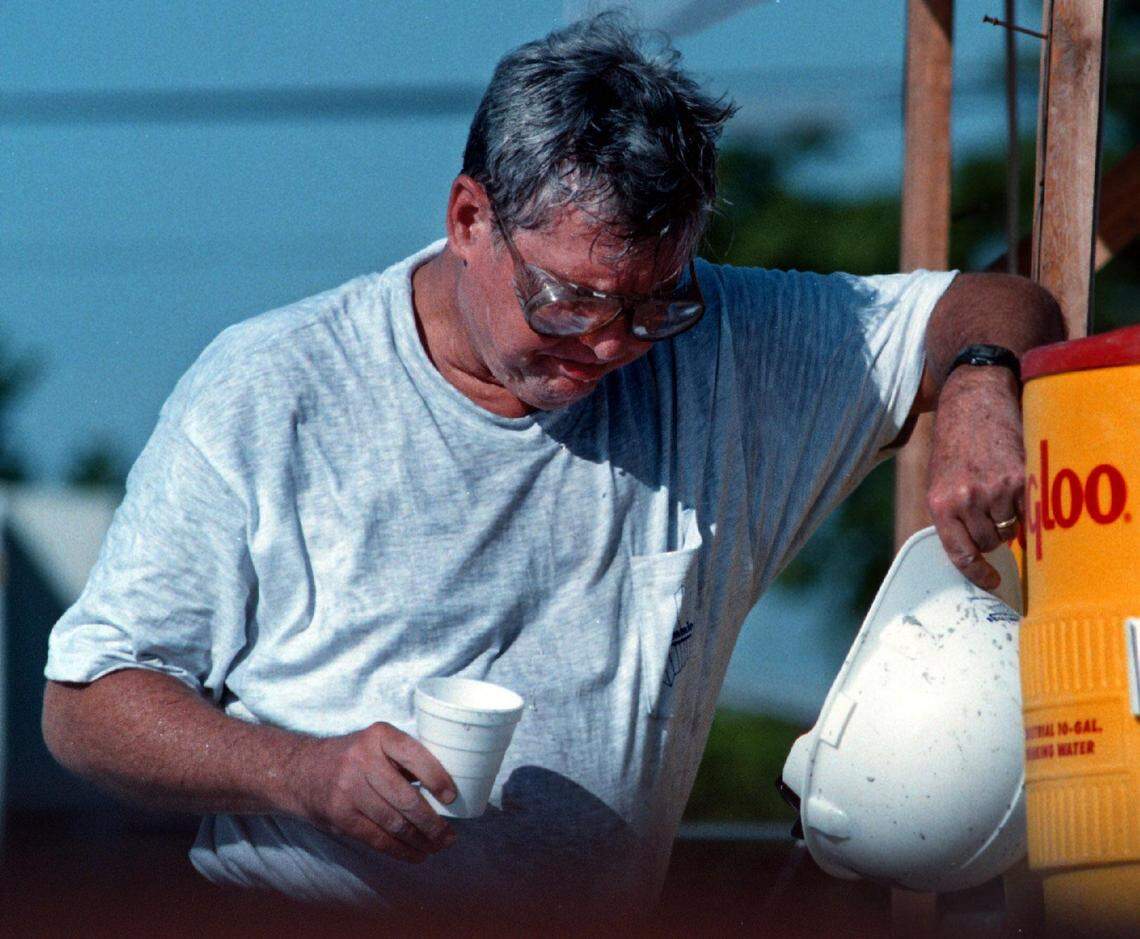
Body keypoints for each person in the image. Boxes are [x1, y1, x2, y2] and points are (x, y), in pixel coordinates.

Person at [42, 12, 1062, 921]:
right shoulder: (272, 387)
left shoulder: (728, 350)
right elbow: (87, 702)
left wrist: (976, 385)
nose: (609, 345)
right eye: (566, 301)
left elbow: (995, 304)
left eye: (654, 301)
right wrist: (302, 772)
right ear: (469, 219)